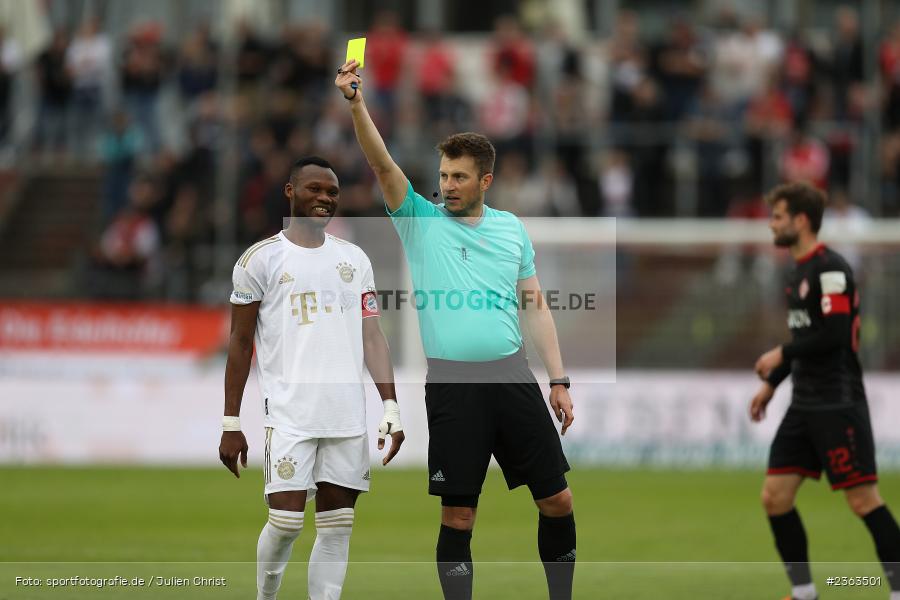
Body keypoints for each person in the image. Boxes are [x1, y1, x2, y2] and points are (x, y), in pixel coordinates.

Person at [336, 60, 576, 600]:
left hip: (513, 378)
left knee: (558, 501)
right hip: (452, 385)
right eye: (443, 175)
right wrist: (356, 104)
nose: (447, 185)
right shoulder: (420, 222)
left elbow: (535, 306)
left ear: (485, 180)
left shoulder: (512, 230)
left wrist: (559, 380)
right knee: (460, 517)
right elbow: (383, 166)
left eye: (459, 176)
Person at [219, 156, 405, 600]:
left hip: (346, 417)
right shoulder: (259, 260)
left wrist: (391, 406)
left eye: (332, 192)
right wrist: (231, 422)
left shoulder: (354, 259)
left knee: (337, 528)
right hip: (289, 416)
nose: (324, 198)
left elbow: (372, 336)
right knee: (285, 523)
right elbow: (240, 343)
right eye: (314, 189)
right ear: (290, 192)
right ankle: (266, 595)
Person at [750, 182, 900, 600]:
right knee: (775, 497)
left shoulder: (831, 268)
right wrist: (772, 383)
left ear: (800, 220)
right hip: (803, 401)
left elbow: (834, 335)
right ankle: (804, 594)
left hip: (838, 400)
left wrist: (779, 354)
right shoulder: (795, 272)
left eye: (777, 216)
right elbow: (804, 338)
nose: (771, 224)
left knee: (863, 501)